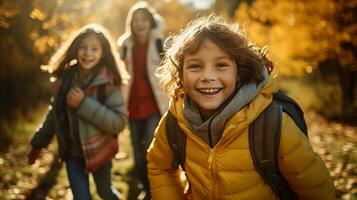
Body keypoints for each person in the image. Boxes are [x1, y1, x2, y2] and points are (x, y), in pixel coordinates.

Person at [147, 15, 336, 199]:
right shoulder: (175, 120)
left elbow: (317, 189)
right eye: (195, 66)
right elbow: (159, 167)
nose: (207, 76)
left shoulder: (272, 124)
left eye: (221, 65)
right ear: (180, 75)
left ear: (238, 72)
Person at [27, 23, 128, 200]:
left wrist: (83, 104)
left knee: (105, 192)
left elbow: (118, 123)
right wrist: (38, 143)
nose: (88, 53)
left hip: (100, 150)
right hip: (72, 151)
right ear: (75, 49)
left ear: (103, 53)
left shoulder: (109, 81)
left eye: (94, 49)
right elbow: (54, 114)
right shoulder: (65, 79)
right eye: (83, 47)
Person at [117, 1, 168, 199]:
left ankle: (152, 190)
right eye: (135, 20)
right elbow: (118, 72)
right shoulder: (124, 45)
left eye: (143, 20)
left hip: (154, 105)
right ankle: (144, 185)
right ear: (130, 23)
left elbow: (169, 72)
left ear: (150, 22)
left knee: (149, 148)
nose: (139, 24)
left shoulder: (159, 43)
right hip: (131, 105)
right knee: (137, 152)